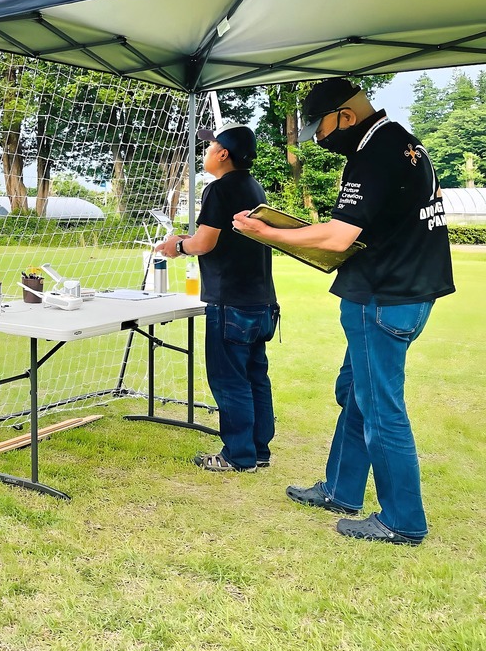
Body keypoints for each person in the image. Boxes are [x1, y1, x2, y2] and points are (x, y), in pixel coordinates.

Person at [233, 78, 455, 545]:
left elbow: (337, 236)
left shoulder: (373, 155)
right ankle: (341, 490)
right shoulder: (402, 142)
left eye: (321, 128)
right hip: (403, 294)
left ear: (346, 117)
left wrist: (267, 234)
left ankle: (403, 521)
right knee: (355, 394)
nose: (318, 139)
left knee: (381, 409)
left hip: (384, 299)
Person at [158, 122, 277, 473]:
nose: (206, 152)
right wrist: (188, 239)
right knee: (256, 375)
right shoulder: (254, 187)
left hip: (230, 302)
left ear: (223, 154)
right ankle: (258, 450)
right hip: (261, 299)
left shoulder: (219, 189)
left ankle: (237, 456)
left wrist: (177, 246)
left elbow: (204, 243)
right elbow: (219, 237)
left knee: (229, 380)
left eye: (210, 147)